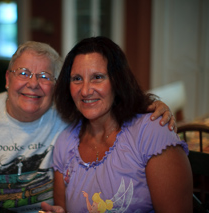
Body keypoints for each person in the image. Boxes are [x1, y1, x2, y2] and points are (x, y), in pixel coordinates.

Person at [0, 41, 176, 212]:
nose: (33, 83)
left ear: (56, 87)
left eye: (45, 75)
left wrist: (151, 105)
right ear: (8, 79)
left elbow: (109, 108)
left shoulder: (69, 118)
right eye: (23, 73)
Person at [41, 36, 193, 212]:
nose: (85, 90)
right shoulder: (65, 142)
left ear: (117, 81)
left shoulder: (151, 132)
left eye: (97, 77)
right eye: (77, 79)